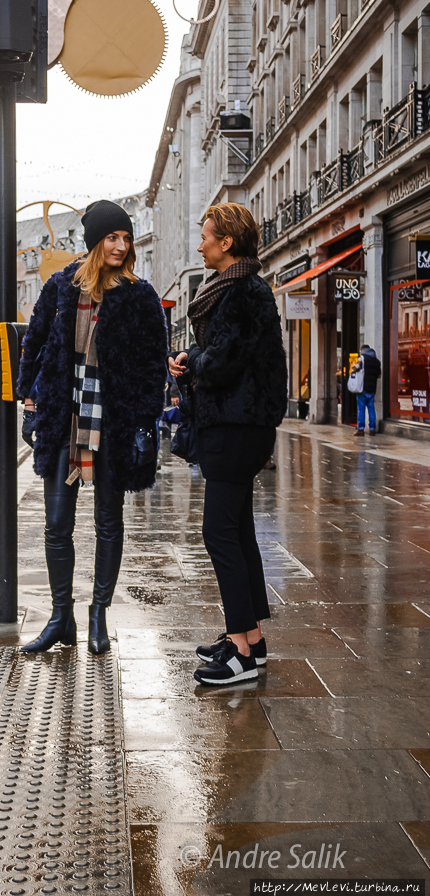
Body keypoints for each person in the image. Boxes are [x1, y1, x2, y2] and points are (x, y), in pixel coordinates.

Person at [17, 200, 168, 655]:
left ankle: (97, 616)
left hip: (114, 420)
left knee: (108, 519)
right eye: (113, 238)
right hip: (65, 415)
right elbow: (35, 340)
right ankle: (60, 617)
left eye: (126, 238)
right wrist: (28, 399)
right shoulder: (61, 286)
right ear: (94, 242)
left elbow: (152, 364)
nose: (122, 246)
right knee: (56, 524)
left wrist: (146, 422)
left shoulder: (140, 294)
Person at [169, 203, 287, 686]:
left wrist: (190, 358)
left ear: (227, 242)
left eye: (206, 236)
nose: (200, 244)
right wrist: (193, 358)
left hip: (236, 427)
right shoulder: (238, 289)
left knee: (219, 533)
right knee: (237, 533)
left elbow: (222, 362)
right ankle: (251, 641)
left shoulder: (241, 292)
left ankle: (239, 652)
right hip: (241, 426)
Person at [352, 344, 381, 436]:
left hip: (362, 388)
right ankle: (372, 429)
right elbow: (379, 375)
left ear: (362, 350)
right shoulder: (377, 361)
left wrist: (354, 367)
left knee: (361, 409)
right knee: (371, 408)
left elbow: (355, 368)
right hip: (372, 389)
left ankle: (361, 429)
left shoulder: (362, 358)